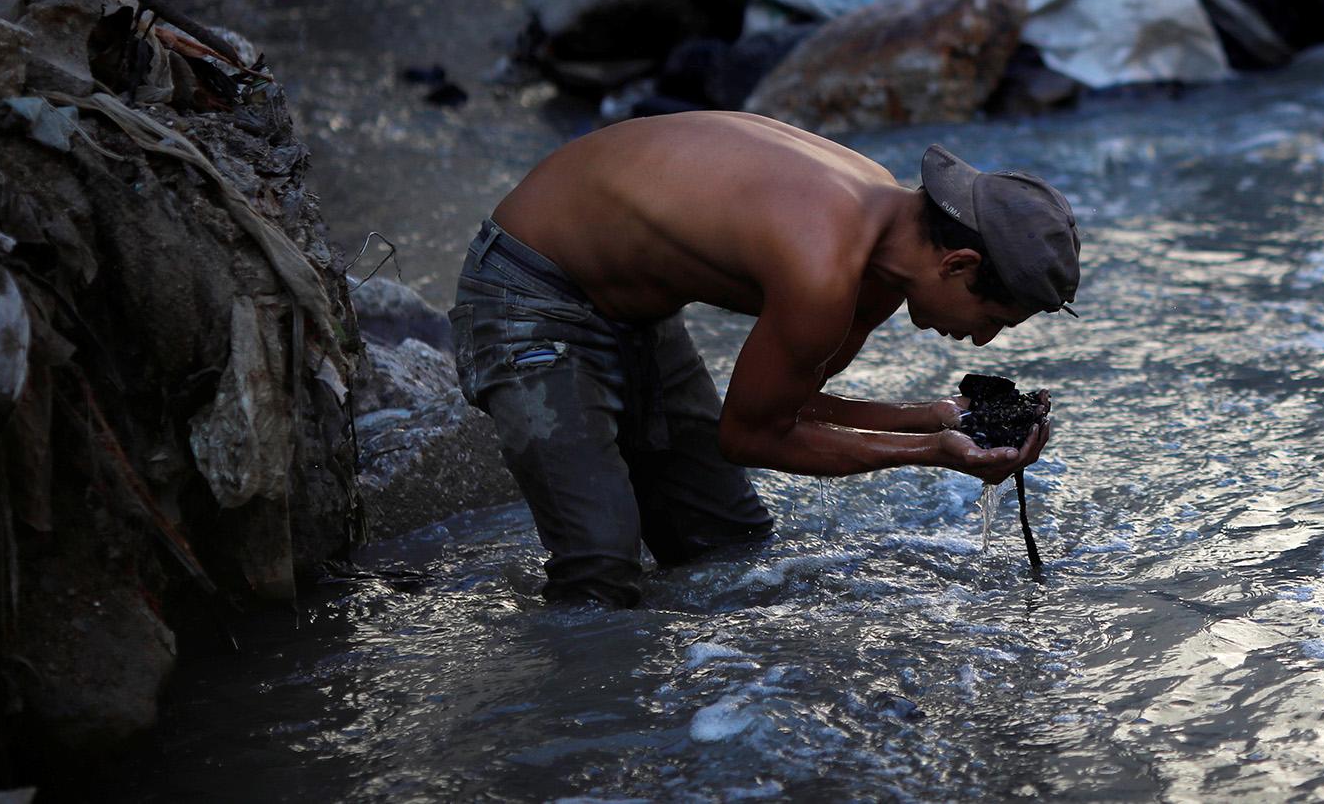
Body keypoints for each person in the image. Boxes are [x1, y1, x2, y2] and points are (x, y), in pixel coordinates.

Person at [450, 111, 1080, 606]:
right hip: (530, 288)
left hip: (634, 312)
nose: (984, 343)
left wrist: (940, 417)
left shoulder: (887, 250)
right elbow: (748, 436)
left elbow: (790, 402)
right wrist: (933, 452)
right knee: (599, 570)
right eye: (993, 320)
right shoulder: (825, 269)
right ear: (958, 263)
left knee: (727, 543)